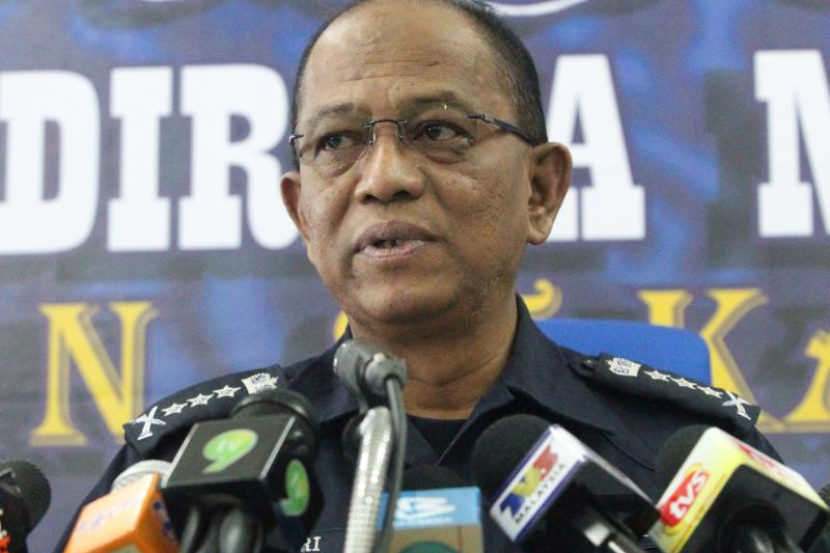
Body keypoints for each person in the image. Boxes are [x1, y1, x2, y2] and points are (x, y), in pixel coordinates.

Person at [54, 0, 794, 551]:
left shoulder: (695, 463)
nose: (385, 178)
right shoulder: (187, 473)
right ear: (303, 213)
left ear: (540, 191)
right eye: (337, 141)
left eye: (438, 130)